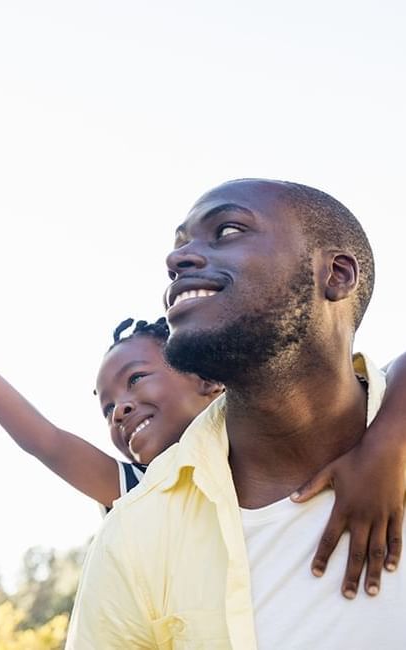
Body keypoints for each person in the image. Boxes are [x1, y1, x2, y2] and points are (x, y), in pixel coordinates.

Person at [0, 260, 406, 603]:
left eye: (137, 380)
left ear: (210, 381)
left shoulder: (309, 423)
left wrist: (383, 448)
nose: (120, 410)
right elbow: (45, 441)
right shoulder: (147, 491)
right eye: (107, 408)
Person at [66, 178, 406, 649]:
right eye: (180, 245)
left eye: (226, 231)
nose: (176, 260)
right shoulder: (137, 533)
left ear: (336, 274)